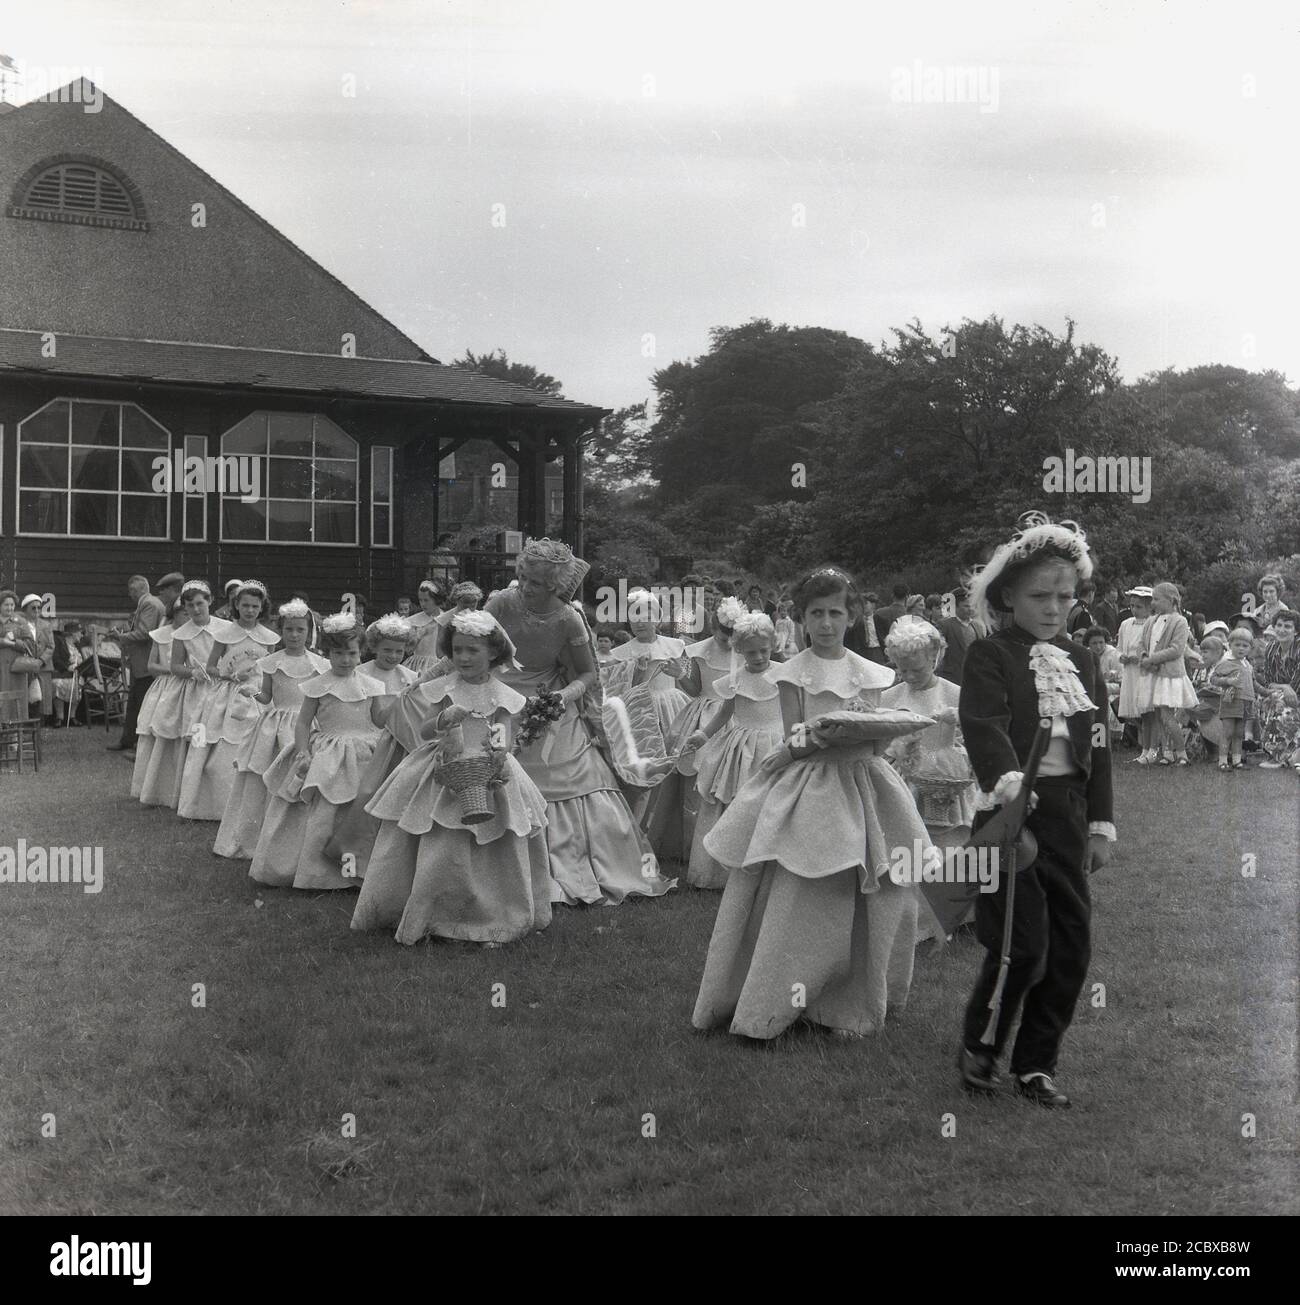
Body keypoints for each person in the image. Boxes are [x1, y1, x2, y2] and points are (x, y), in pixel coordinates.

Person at [693, 565, 931, 1040]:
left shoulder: (870, 673)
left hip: (862, 781)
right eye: (816, 614)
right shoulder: (791, 672)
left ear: (851, 616)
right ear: (801, 618)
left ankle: (848, 1000)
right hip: (809, 783)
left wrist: (871, 730)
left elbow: (878, 743)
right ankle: (780, 993)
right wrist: (824, 735)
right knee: (801, 890)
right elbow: (794, 736)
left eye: (835, 613)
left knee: (870, 889)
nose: (826, 624)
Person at [956, 514, 1115, 1109]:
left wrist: (1100, 823)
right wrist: (1009, 788)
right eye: (1039, 596)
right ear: (1007, 597)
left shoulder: (1084, 659)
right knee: (1022, 948)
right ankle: (983, 1047)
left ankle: (1036, 1065)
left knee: (1071, 950)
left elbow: (1098, 748)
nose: (1054, 608)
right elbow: (984, 726)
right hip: (1011, 823)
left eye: (1065, 596)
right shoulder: (990, 656)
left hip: (1068, 827)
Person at [351, 610, 551, 946]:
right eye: (458, 650)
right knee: (441, 842)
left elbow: (503, 731)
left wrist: (498, 754)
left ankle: (491, 914)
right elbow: (425, 729)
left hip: (488, 767)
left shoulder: (502, 693)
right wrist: (444, 718)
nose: (463, 657)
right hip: (443, 764)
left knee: (492, 840)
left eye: (473, 650)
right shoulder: (442, 687)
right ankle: (433, 912)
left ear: (493, 654)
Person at [250, 613, 387, 890]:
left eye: (351, 653)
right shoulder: (318, 685)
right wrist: (303, 751)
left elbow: (379, 719)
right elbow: (302, 723)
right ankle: (317, 873)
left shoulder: (371, 685)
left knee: (359, 806)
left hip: (364, 749)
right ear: (328, 653)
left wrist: (399, 708)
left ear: (361, 654)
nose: (345, 660)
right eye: (338, 653)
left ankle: (356, 871)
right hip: (327, 749)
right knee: (324, 808)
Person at [881, 616, 977, 940]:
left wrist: (957, 726)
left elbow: (973, 735)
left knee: (950, 843)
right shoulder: (891, 697)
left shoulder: (955, 693)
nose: (908, 677)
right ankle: (914, 918)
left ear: (935, 657)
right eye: (901, 670)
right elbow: (881, 743)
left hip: (945, 780)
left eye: (916, 670)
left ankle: (956, 913)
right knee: (910, 845)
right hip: (905, 780)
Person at [213, 599, 329, 860]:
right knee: (264, 778)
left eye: (300, 630)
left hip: (306, 724)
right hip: (274, 725)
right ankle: (255, 839)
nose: (295, 635)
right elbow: (267, 696)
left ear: (309, 632)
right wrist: (251, 692)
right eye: (289, 630)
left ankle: (295, 843)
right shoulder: (271, 661)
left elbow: (321, 698)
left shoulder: (318, 664)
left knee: (300, 780)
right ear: (281, 631)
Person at [684, 611, 782, 890]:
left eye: (763, 651)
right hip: (741, 749)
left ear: (772, 646)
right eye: (751, 653)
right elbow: (724, 713)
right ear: (739, 650)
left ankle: (768, 868)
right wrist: (702, 735)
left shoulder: (782, 676)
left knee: (770, 804)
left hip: (776, 744)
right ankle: (722, 871)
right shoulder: (735, 679)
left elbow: (792, 712)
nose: (759, 657)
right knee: (732, 802)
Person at [177, 581, 278, 820]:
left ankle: (253, 808)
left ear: (262, 607)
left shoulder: (269, 637)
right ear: (236, 605)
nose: (250, 610)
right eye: (245, 605)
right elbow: (211, 666)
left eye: (255, 606)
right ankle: (210, 806)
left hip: (258, 696)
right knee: (214, 747)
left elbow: (272, 668)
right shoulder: (224, 634)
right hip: (227, 694)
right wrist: (232, 674)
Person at [135, 581, 231, 809]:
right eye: (190, 605)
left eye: (200, 604)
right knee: (197, 742)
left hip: (220, 690)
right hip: (196, 694)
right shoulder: (181, 634)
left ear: (209, 602)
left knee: (220, 742)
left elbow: (230, 658)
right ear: (185, 607)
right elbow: (175, 666)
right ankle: (191, 797)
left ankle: (217, 796)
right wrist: (192, 672)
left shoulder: (225, 629)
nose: (196, 610)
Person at [1140, 582, 1198, 766]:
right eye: (1152, 600)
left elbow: (1176, 649)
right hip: (1153, 673)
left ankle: (1182, 753)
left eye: (1157, 599)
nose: (1153, 603)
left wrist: (1152, 659)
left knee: (1166, 715)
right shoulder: (1151, 621)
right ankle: (1167, 752)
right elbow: (1143, 644)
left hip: (1169, 675)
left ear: (1171, 600)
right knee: (1158, 716)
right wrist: (1144, 657)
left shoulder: (1179, 621)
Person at [108, 575, 169, 751]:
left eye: (131, 591)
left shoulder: (148, 604)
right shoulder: (151, 603)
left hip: (145, 663)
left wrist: (121, 637)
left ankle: (139, 744)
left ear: (137, 589)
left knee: (142, 704)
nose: (130, 595)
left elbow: (145, 633)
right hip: (141, 663)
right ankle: (128, 740)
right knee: (135, 702)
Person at [1256, 608, 1300, 770]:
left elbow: (1295, 690)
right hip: (1284, 692)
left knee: (1282, 706)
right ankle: (1275, 753)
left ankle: (1282, 756)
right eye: (1279, 625)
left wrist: (1287, 689)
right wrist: (1284, 687)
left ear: (1296, 632)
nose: (1282, 630)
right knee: (1266, 701)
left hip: (1296, 695)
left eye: (1287, 626)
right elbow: (1269, 682)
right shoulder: (1271, 648)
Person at [1208, 627, 1255, 770]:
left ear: (1250, 648)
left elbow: (1253, 683)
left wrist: (1267, 692)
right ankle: (1222, 761)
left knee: (1239, 733)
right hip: (1231, 701)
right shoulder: (1226, 663)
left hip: (1246, 702)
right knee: (1227, 732)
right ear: (1230, 645)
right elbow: (1213, 679)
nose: (1241, 648)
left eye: (1245, 646)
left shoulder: (1247, 665)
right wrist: (1228, 681)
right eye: (1237, 645)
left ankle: (1236, 760)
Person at [1117, 587, 1155, 758]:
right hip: (1130, 673)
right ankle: (1142, 745)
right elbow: (1119, 648)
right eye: (1132, 605)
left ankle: (1149, 746)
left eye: (1139, 606)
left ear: (1149, 607)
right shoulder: (1125, 624)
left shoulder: (1153, 624)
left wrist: (1140, 659)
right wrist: (1122, 657)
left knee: (1147, 711)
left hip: (1144, 672)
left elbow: (1154, 649)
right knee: (1134, 710)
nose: (1134, 609)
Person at [935, 588, 984, 685]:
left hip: (974, 678)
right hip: (952, 679)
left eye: (972, 606)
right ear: (955, 607)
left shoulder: (978, 627)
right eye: (966, 606)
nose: (970, 609)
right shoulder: (945, 625)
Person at [405, 580, 446, 674]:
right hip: (417, 665)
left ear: (436, 600)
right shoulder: (413, 621)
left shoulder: (445, 619)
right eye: (420, 600)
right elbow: (408, 650)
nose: (423, 604)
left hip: (439, 664)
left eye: (426, 600)